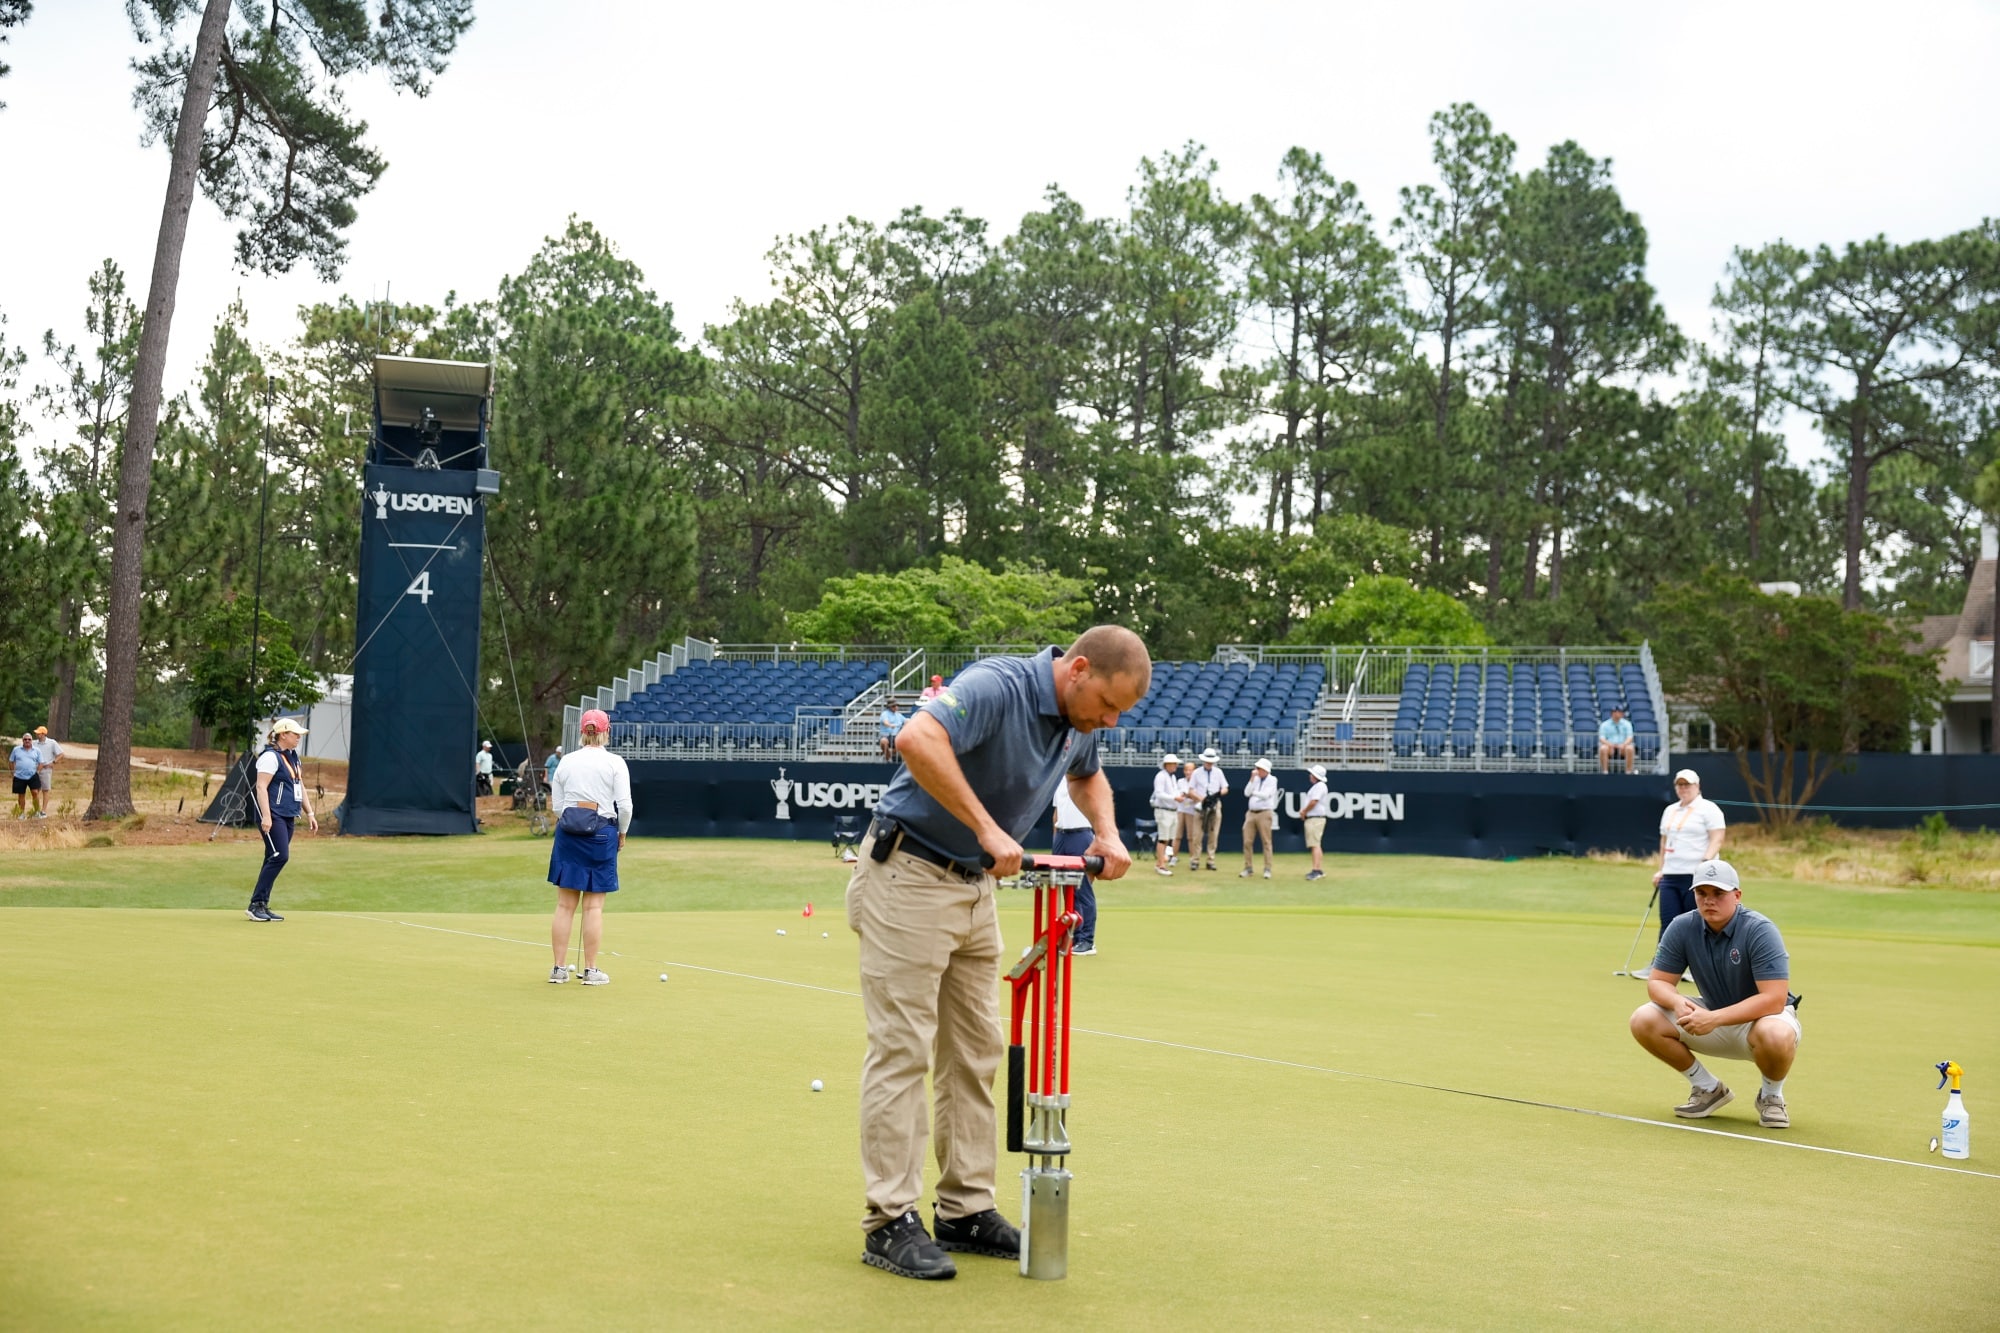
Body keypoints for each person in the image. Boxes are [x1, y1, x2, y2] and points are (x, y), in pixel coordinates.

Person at [849, 625, 1147, 1280]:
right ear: (1078, 669)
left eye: (1120, 711)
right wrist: (987, 827)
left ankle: (965, 1207)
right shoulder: (998, 685)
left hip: (974, 887)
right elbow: (916, 739)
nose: (1110, 720)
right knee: (903, 1047)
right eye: (1108, 704)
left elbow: (1088, 775)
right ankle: (888, 1218)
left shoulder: (1079, 720)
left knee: (975, 1049)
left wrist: (1107, 832)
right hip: (910, 869)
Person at [1628, 858, 1799, 1128]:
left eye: (1719, 893)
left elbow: (1774, 999)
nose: (1709, 900)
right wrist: (1677, 1002)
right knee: (1643, 1019)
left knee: (1775, 1034)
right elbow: (1658, 982)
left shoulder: (1760, 930)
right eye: (1702, 893)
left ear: (1737, 896)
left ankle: (1771, 1096)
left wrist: (1714, 1018)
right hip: (1712, 1016)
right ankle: (1707, 1088)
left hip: (1762, 1021)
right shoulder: (1682, 926)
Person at [547, 709, 631, 986]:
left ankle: (558, 969)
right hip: (601, 833)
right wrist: (622, 833)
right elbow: (625, 806)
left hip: (568, 833)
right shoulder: (615, 762)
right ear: (607, 731)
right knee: (593, 907)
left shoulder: (567, 761)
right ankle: (591, 971)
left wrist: (574, 820)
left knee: (564, 905)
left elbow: (558, 806)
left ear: (582, 731)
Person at [247, 718, 318, 921]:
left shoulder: (293, 757)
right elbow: (261, 787)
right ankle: (255, 904)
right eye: (295, 734)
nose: (298, 738)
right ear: (283, 734)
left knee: (272, 856)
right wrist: (267, 816)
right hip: (273, 814)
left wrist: (310, 813)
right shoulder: (270, 757)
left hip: (288, 814)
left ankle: (262, 904)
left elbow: (299, 785)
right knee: (280, 856)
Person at [1654, 768, 1725, 943]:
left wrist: (1705, 863)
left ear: (1697, 786)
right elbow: (1664, 842)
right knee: (1668, 923)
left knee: (1694, 923)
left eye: (1687, 784)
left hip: (1695, 876)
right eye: (1680, 785)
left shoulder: (1709, 808)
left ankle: (1696, 960)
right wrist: (1661, 870)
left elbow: (1717, 838)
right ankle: (1663, 959)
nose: (1683, 788)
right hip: (1670, 875)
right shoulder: (1670, 810)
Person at [1052, 774, 1098, 955]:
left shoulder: (1086, 777)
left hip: (1081, 834)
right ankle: (1074, 935)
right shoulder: (1058, 780)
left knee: (1082, 888)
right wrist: (1055, 839)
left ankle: (1087, 940)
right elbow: (1056, 813)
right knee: (1067, 889)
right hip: (1061, 835)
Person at [1190, 748, 1229, 870]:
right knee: (1197, 835)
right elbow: (1191, 790)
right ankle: (1195, 860)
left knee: (1214, 834)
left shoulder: (1218, 772)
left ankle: (1210, 860)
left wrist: (1217, 795)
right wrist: (1201, 798)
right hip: (1200, 805)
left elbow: (1225, 788)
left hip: (1214, 804)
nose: (1209, 763)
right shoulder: (1196, 773)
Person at [1240, 757, 1277, 878]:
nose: (1256, 770)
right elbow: (1246, 793)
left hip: (1264, 813)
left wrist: (1253, 793)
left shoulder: (1272, 780)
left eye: (1259, 768)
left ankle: (1267, 869)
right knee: (1247, 841)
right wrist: (1251, 780)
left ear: (1265, 770)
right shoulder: (1255, 779)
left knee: (1266, 841)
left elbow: (1266, 795)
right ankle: (1248, 868)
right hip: (1251, 813)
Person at [1149, 752, 1182, 876]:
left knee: (1168, 838)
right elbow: (1159, 794)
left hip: (1172, 811)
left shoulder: (1172, 777)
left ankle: (1161, 862)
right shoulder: (1160, 776)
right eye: (1174, 764)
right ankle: (1161, 865)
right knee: (1163, 838)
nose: (1176, 766)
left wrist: (1179, 797)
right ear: (1167, 765)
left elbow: (1174, 792)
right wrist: (1175, 798)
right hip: (1163, 811)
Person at [1300, 764, 1330, 881]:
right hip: (1315, 818)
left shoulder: (1319, 786)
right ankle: (1318, 869)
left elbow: (1314, 802)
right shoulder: (1319, 786)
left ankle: (1316, 870)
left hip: (1315, 819)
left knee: (1315, 844)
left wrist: (1304, 811)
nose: (1310, 776)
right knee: (1316, 844)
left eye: (1312, 774)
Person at [1174, 760, 1199, 863]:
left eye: (1190, 770)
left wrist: (1189, 795)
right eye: (1186, 770)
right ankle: (1173, 857)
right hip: (1180, 810)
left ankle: (1192, 858)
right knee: (1177, 835)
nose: (1188, 772)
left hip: (1192, 811)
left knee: (1191, 837)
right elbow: (1177, 794)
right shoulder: (1180, 781)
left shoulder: (1197, 783)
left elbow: (1197, 797)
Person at [1598, 706, 1636, 774]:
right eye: (1615, 712)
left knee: (1630, 748)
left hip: (1623, 747)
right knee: (1603, 748)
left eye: (1619, 712)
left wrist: (1623, 745)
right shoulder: (1605, 724)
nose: (1617, 714)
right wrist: (1610, 745)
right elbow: (1602, 738)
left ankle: (1628, 772)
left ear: (1622, 714)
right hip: (1609, 746)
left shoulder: (1627, 724)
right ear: (1612, 713)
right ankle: (1605, 771)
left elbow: (1630, 737)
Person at [32, 725, 60, 817]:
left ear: (43, 734)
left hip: (46, 769)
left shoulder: (52, 743)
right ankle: (36, 810)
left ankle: (43, 811)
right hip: (35, 769)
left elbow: (61, 754)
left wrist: (53, 762)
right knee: (35, 790)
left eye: (39, 733)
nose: (37, 735)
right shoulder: (34, 743)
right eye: (37, 733)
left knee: (45, 789)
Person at [11, 732, 39, 819]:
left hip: (32, 775)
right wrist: (13, 773)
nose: (27, 741)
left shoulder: (36, 750)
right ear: (22, 740)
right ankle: (21, 813)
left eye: (29, 739)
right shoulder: (16, 750)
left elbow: (41, 762)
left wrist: (38, 771)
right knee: (21, 795)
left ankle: (36, 812)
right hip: (19, 776)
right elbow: (11, 761)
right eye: (25, 739)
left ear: (32, 741)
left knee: (35, 792)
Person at [877, 697, 905, 761]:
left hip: (896, 736)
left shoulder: (899, 715)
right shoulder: (885, 714)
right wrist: (890, 725)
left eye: (896, 706)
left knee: (905, 742)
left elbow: (906, 720)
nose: (895, 707)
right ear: (889, 707)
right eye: (893, 706)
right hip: (885, 735)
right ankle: (888, 759)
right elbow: (885, 722)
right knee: (883, 741)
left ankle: (888, 755)